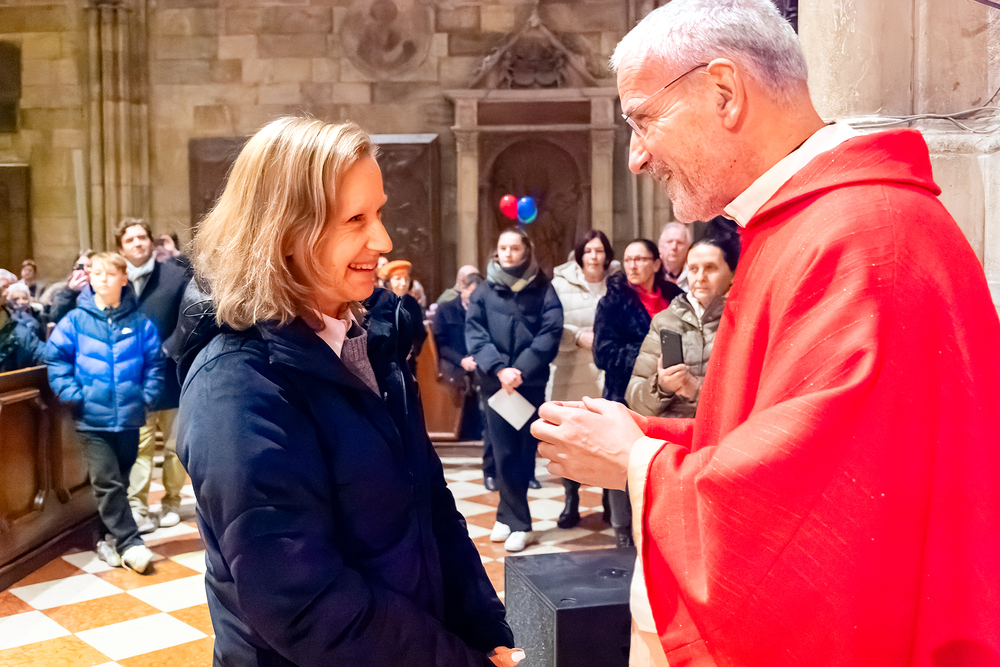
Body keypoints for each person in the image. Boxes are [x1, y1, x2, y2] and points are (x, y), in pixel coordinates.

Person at [530, 1, 1000, 666]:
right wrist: (646, 437)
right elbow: (782, 434)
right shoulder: (807, 225)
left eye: (643, 120)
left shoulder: (865, 238)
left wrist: (638, 464)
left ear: (724, 92)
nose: (637, 157)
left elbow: (816, 515)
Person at [175, 117, 519, 666]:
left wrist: (483, 631)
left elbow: (431, 505)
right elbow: (303, 603)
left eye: (378, 213)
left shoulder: (370, 342)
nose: (383, 241)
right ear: (285, 233)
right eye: (356, 219)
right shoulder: (235, 386)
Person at [45, 252, 164, 574]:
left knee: (120, 481)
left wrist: (147, 396)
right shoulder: (75, 320)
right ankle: (130, 543)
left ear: (124, 279)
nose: (102, 279)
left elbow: (155, 362)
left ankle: (104, 537)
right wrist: (73, 395)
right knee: (107, 479)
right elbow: (56, 358)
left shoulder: (139, 322)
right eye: (97, 273)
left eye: (110, 274)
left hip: (129, 415)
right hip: (91, 418)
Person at [465, 228, 562, 552]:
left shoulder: (542, 287)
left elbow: (551, 330)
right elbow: (475, 332)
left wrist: (521, 368)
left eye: (514, 248)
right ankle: (517, 522)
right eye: (503, 248)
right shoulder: (483, 289)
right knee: (502, 452)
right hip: (496, 384)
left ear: (525, 251)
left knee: (523, 452)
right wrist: (499, 368)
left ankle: (509, 517)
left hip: (528, 383)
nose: (508, 253)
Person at [592, 239, 681, 548]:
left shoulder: (675, 297)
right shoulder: (613, 302)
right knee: (624, 462)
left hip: (670, 396)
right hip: (624, 394)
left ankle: (659, 525)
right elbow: (603, 353)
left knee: (659, 461)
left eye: (640, 259)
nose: (633, 265)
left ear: (656, 264)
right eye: (628, 259)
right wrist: (649, 357)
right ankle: (622, 528)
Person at [115, 218, 190, 532]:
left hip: (171, 375)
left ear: (150, 241)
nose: (137, 243)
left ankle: (172, 502)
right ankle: (138, 508)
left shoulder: (174, 275)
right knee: (139, 447)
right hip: (134, 380)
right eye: (129, 240)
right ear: (121, 248)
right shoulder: (115, 279)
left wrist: (169, 347)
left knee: (174, 446)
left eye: (142, 237)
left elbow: (189, 316)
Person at [626, 237, 736, 419]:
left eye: (710, 268)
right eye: (693, 269)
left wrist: (695, 389)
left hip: (724, 431)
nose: (700, 277)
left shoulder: (743, 321)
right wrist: (661, 387)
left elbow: (752, 398)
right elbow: (634, 398)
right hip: (672, 429)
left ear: (733, 274)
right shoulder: (666, 320)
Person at [548, 231, 614, 529]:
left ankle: (609, 500)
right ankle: (571, 500)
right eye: (588, 251)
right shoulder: (560, 284)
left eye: (599, 250)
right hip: (571, 370)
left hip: (606, 372)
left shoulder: (617, 282)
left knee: (607, 439)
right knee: (570, 439)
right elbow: (551, 324)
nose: (594, 256)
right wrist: (576, 337)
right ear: (579, 254)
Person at [378, 259, 427, 370]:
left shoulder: (412, 303)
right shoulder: (380, 304)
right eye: (398, 279)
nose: (404, 283)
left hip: (409, 362)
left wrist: (412, 350)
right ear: (388, 282)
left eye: (406, 278)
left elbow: (420, 333)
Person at [0, 278, 44, 373]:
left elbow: (42, 353)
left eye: (24, 298)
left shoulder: (21, 332)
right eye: (16, 299)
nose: (21, 302)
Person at [656, 222, 692, 290]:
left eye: (680, 243)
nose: (674, 247)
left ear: (687, 248)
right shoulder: (652, 275)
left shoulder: (694, 274)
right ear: (660, 246)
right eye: (669, 242)